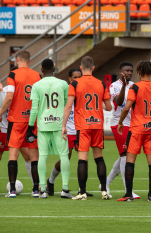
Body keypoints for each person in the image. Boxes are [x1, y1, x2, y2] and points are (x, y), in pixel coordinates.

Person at [62, 56, 112, 200]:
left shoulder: (75, 83)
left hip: (83, 126)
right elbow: (109, 107)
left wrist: (64, 125)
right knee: (99, 158)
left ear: (81, 67)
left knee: (82, 159)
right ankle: (104, 191)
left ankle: (82, 192)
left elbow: (68, 105)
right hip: (97, 125)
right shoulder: (101, 84)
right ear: (94, 68)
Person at [117, 61, 151, 202]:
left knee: (130, 161)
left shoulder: (135, 87)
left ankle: (128, 194)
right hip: (150, 129)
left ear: (139, 72)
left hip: (137, 129)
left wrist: (120, 122)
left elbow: (126, 108)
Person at [26, 59, 72, 198]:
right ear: (54, 68)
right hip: (58, 124)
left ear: (41, 70)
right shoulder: (63, 83)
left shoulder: (36, 85)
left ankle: (43, 191)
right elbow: (66, 105)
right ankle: (64, 190)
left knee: (43, 156)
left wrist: (30, 127)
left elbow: (34, 108)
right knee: (64, 155)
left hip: (43, 124)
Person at [46, 68, 93, 197]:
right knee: (66, 158)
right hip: (67, 130)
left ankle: (81, 189)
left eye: (79, 77)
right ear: (70, 79)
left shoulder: (84, 91)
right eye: (75, 77)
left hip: (81, 128)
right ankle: (50, 181)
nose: (77, 79)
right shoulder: (64, 91)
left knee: (84, 159)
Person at [0, 50, 41, 198]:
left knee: (13, 155)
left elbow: (9, 96)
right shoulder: (37, 75)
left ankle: (12, 190)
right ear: (29, 61)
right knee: (34, 156)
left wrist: (0, 113)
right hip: (33, 121)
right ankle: (36, 189)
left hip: (16, 119)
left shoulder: (12, 75)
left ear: (17, 60)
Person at [105, 61, 140, 199]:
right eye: (127, 70)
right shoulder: (114, 86)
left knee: (124, 155)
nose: (129, 73)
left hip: (132, 124)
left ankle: (106, 183)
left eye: (131, 71)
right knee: (125, 155)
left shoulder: (134, 86)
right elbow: (118, 103)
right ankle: (128, 190)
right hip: (119, 124)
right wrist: (124, 87)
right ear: (121, 72)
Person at [0, 67, 33, 184]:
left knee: (27, 156)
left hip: (18, 128)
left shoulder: (26, 93)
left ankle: (36, 185)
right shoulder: (3, 92)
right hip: (4, 130)